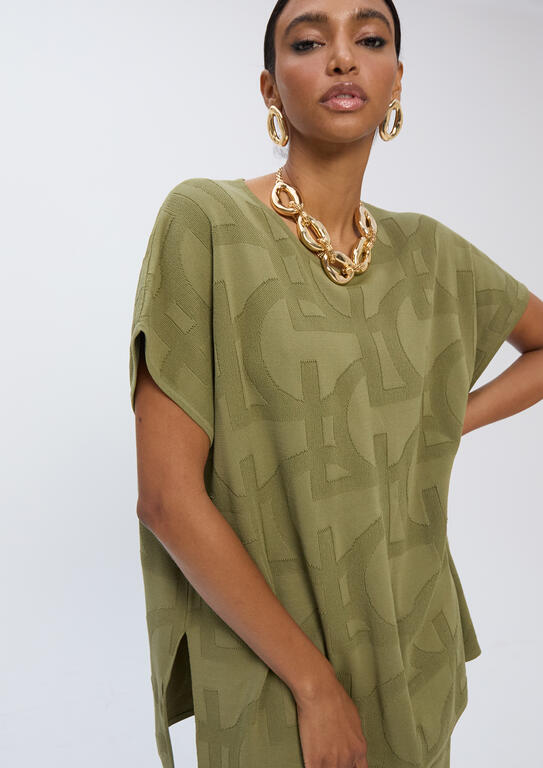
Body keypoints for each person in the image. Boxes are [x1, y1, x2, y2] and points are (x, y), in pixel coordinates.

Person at [128, 1, 543, 766]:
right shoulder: (207, 222)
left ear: (395, 82)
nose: (343, 57)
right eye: (309, 41)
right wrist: (314, 688)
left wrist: (436, 418)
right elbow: (166, 498)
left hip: (412, 649)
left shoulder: (428, 252)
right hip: (274, 673)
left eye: (369, 38)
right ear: (269, 87)